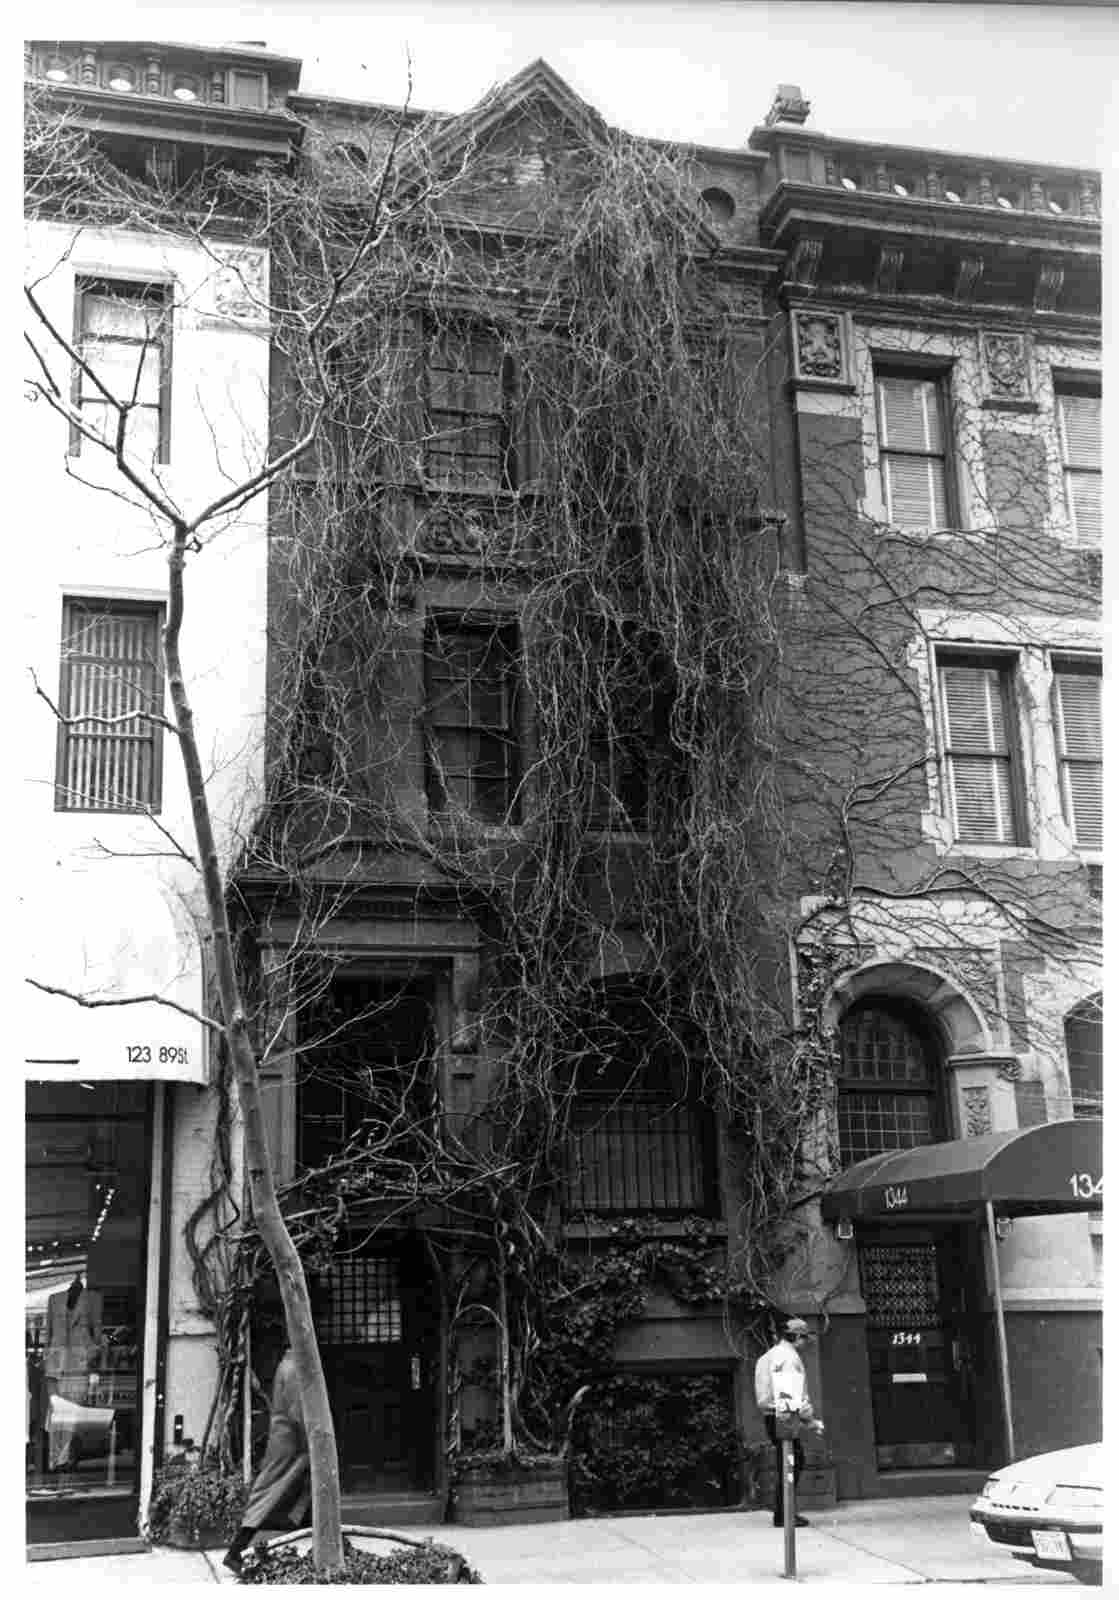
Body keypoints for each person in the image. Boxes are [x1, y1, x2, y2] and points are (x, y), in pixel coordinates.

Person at [224, 1348, 312, 1573]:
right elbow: (297, 1412)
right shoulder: (293, 1369)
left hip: (287, 1440)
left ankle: (254, 1548)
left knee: (296, 1495)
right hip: (291, 1442)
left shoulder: (287, 1365)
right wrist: (310, 1441)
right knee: (269, 1495)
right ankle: (236, 1551)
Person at [754, 1315, 825, 1528]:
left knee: (789, 1461)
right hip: (784, 1416)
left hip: (773, 1415)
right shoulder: (788, 1359)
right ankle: (784, 1515)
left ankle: (783, 1513)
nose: (805, 1343)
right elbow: (791, 1395)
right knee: (792, 1462)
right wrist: (810, 1420)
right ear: (794, 1336)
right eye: (803, 1339)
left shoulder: (768, 1356)